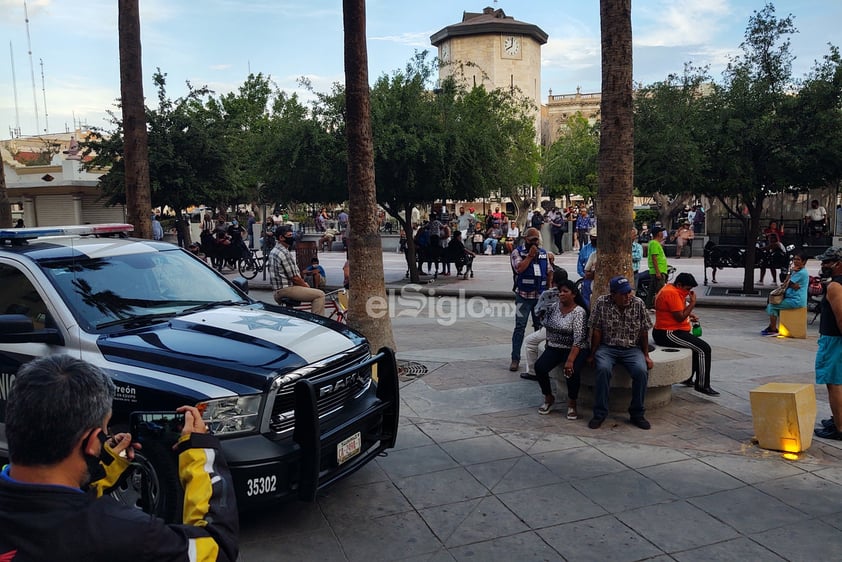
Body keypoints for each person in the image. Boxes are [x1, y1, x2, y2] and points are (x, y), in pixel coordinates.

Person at [0, 354, 238, 560]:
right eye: (104, 430)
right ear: (91, 442)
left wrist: (104, 469)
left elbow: (54, 507)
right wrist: (202, 454)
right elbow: (214, 550)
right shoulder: (128, 533)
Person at [587, 276, 654, 430]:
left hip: (631, 348)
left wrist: (646, 355)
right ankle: (600, 413)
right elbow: (596, 330)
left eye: (629, 292)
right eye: (623, 294)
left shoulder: (638, 303)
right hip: (607, 347)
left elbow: (644, 332)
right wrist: (593, 353)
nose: (627, 296)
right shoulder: (602, 303)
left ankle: (637, 413)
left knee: (641, 371)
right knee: (603, 369)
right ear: (613, 294)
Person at [653, 272, 718, 395]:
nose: (688, 292)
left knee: (696, 347)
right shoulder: (671, 293)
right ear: (679, 285)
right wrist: (692, 303)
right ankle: (702, 385)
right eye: (687, 289)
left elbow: (678, 312)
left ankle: (688, 378)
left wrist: (689, 314)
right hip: (667, 332)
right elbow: (679, 317)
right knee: (703, 349)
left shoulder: (672, 290)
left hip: (672, 330)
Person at [532, 279, 589, 420]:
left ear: (573, 294)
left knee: (571, 371)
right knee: (539, 367)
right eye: (560, 291)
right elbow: (546, 324)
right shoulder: (554, 307)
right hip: (555, 346)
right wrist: (542, 310)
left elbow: (579, 338)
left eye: (565, 291)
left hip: (575, 348)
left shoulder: (579, 312)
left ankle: (572, 403)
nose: (561, 294)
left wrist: (570, 360)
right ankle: (548, 397)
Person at [509, 228, 553, 372]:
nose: (534, 243)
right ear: (526, 239)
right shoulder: (517, 253)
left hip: (539, 298)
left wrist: (549, 288)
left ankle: (540, 360)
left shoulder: (543, 253)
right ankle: (515, 358)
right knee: (520, 327)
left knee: (540, 328)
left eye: (536, 240)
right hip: (523, 296)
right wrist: (529, 256)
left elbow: (549, 271)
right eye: (531, 240)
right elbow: (519, 269)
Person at [520, 266, 569, 381]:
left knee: (529, 342)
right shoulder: (574, 292)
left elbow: (537, 311)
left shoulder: (548, 294)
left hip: (552, 328)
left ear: (553, 281)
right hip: (567, 327)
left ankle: (532, 372)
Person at [814, 247, 842, 441]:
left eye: (827, 262)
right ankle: (838, 419)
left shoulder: (836, 287)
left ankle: (839, 428)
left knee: (834, 383)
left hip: (834, 340)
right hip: (835, 340)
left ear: (838, 264)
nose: (823, 266)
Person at [269, 226, 326, 315]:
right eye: (290, 235)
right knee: (320, 295)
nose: (292, 237)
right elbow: (295, 278)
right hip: (286, 289)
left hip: (278, 290)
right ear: (281, 238)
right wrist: (307, 287)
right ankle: (317, 322)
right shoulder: (284, 252)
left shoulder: (274, 250)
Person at [762, 250, 809, 335]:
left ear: (804, 261)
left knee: (772, 306)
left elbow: (786, 283)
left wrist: (789, 279)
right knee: (773, 304)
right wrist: (790, 277)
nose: (795, 261)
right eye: (795, 259)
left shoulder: (801, 273)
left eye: (798, 259)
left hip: (795, 300)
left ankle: (772, 328)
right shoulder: (796, 271)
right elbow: (787, 282)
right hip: (791, 298)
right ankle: (771, 326)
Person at [646, 226, 668, 309]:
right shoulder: (654, 243)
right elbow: (654, 258)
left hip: (660, 270)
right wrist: (658, 272)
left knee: (652, 289)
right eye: (662, 232)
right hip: (658, 271)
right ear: (659, 234)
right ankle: (659, 306)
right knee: (659, 290)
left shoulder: (655, 243)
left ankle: (649, 305)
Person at [577, 227, 597, 306]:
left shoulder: (602, 250)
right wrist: (584, 275)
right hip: (587, 279)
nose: (593, 239)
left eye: (595, 237)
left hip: (598, 279)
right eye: (592, 237)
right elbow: (579, 264)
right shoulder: (585, 249)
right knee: (586, 302)